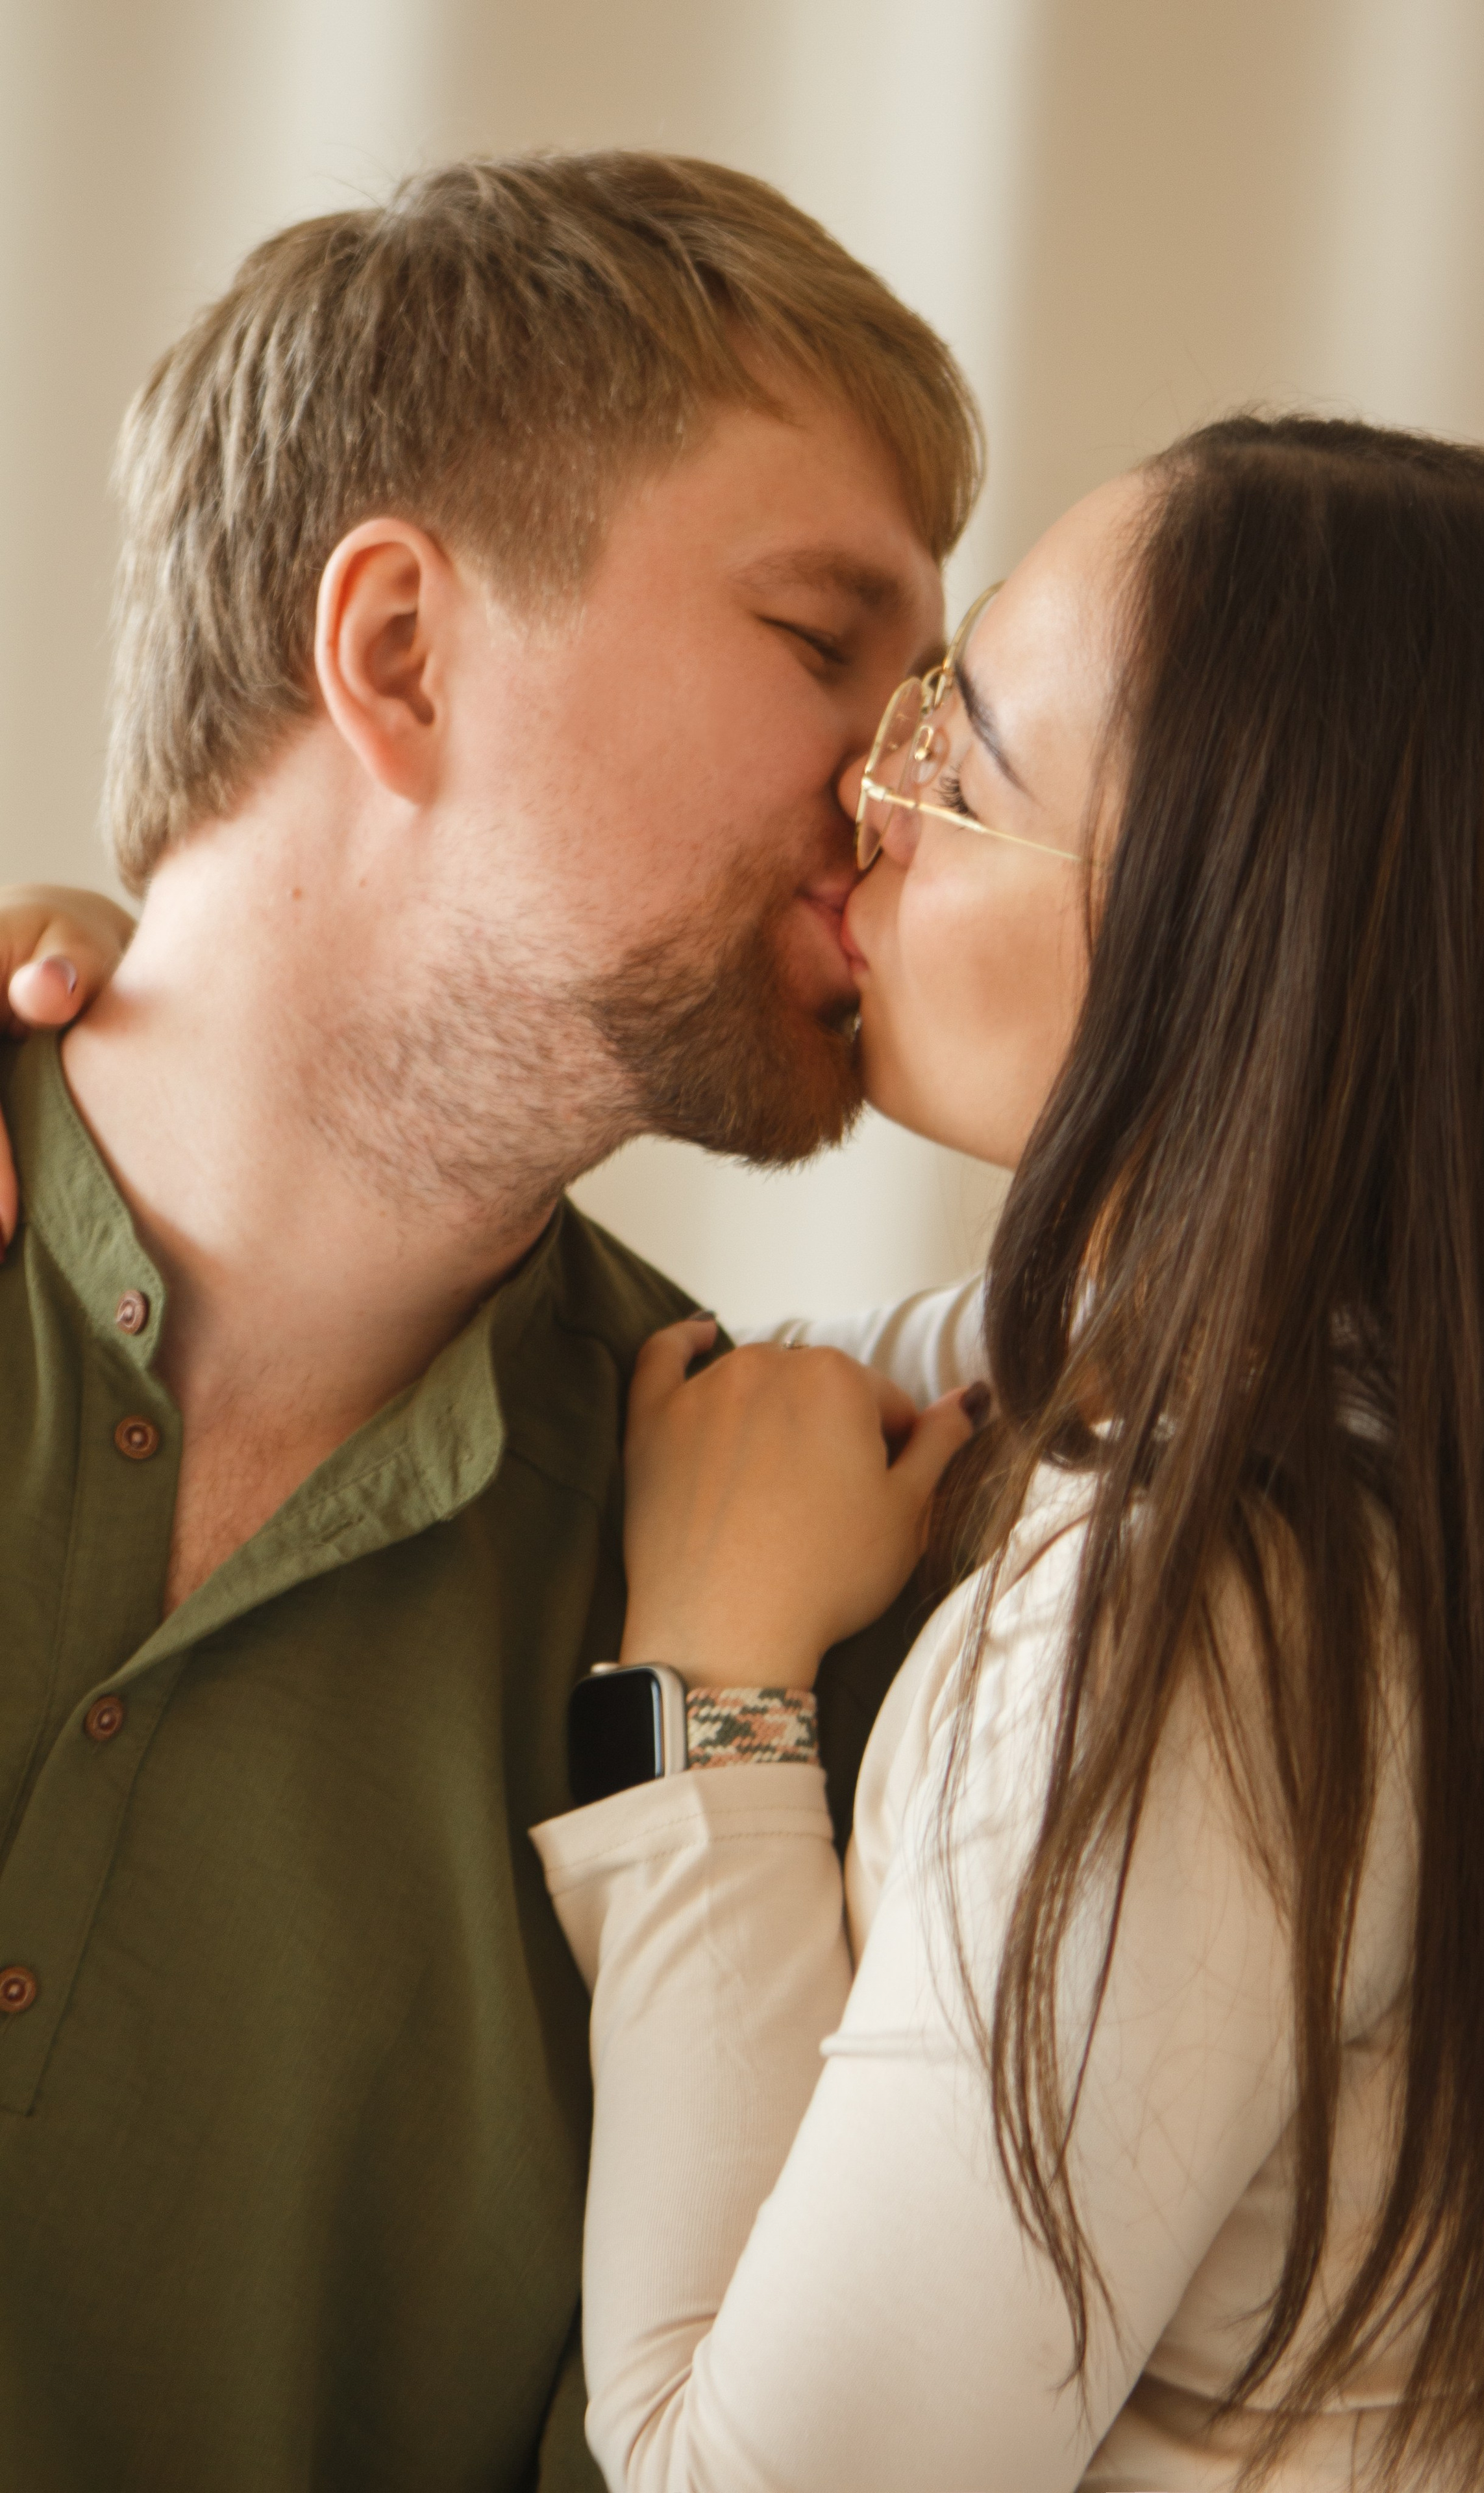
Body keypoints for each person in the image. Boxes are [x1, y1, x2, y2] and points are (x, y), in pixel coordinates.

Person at [515, 420, 1484, 2490]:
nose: (867, 808)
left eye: (964, 769)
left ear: (1265, 951)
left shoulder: (1222, 1615)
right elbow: (748, 1386)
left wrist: (707, 1706)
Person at [0, 150, 982, 2492]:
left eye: (932, 700)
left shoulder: (771, 1642)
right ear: (403, 650)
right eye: (819, 643)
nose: (903, 795)